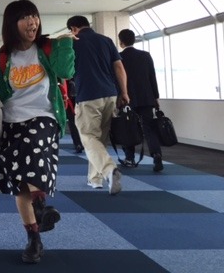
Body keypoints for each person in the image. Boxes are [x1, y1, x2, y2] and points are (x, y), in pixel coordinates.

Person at [0, 0, 75, 264]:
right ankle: (34, 238)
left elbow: (66, 71)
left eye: (34, 16)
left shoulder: (47, 48)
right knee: (21, 186)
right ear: (12, 24)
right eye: (25, 17)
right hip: (11, 122)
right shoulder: (3, 55)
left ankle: (41, 208)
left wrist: (65, 43)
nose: (32, 21)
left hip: (44, 117)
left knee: (31, 149)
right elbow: (2, 93)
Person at [66, 15, 129, 195]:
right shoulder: (106, 40)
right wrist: (124, 92)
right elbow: (119, 67)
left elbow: (65, 72)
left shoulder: (73, 42)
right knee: (99, 140)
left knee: (88, 137)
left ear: (73, 29)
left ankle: (109, 170)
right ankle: (95, 179)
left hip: (88, 95)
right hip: (110, 94)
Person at [117, 28, 163, 172]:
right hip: (146, 97)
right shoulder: (145, 55)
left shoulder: (118, 57)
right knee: (149, 128)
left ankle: (129, 157)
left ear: (121, 42)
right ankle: (156, 155)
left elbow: (116, 79)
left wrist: (118, 97)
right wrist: (155, 97)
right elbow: (152, 77)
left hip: (127, 99)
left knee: (128, 128)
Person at [60, 78, 84, 153]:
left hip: (72, 90)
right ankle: (78, 142)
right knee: (73, 117)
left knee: (73, 118)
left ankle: (78, 143)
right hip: (73, 91)